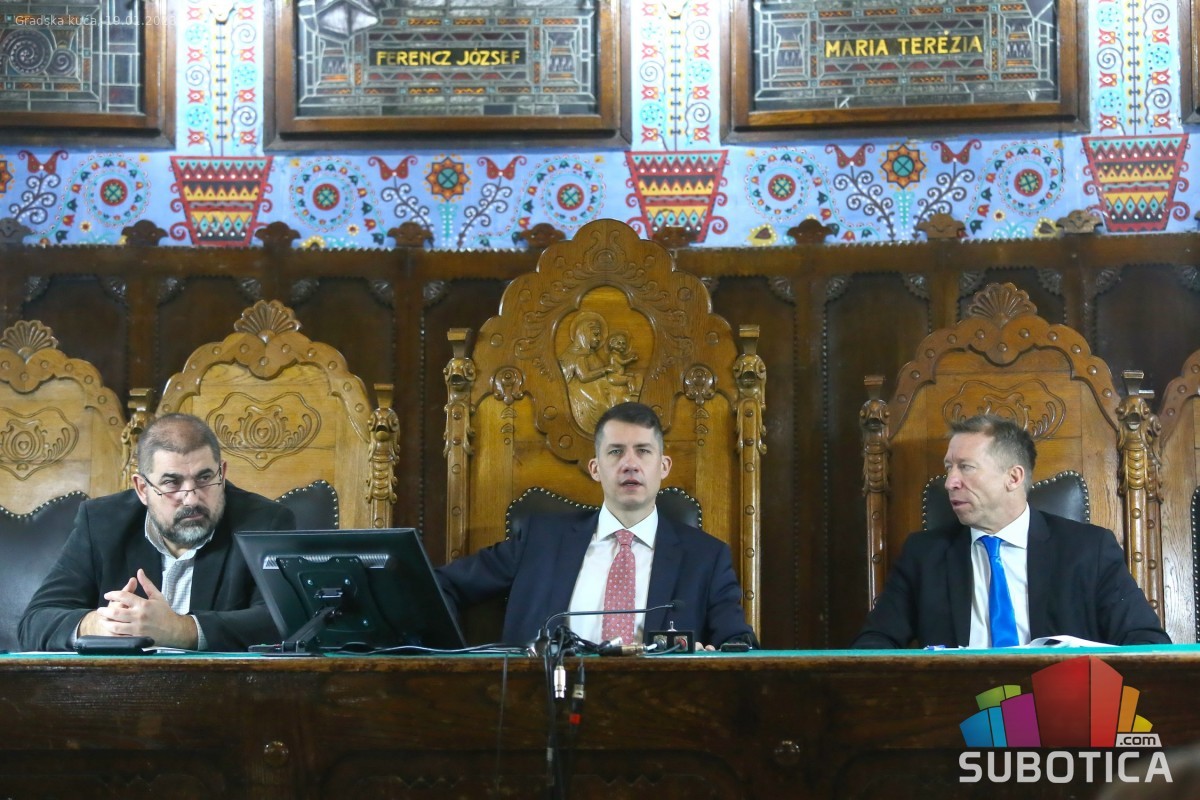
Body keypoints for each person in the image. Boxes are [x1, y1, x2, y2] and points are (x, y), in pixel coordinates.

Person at [436, 401, 757, 650]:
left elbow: (738, 641)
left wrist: (715, 656)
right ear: (595, 468)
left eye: (643, 451)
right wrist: (453, 662)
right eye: (615, 452)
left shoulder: (706, 557)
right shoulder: (540, 540)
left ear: (663, 466)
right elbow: (442, 585)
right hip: (545, 699)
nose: (630, 464)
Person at [853, 414, 1169, 649]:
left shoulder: (1089, 550)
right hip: (957, 711)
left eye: (965, 467)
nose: (950, 482)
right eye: (948, 467)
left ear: (1013, 478)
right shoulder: (923, 554)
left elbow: (1147, 643)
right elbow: (875, 642)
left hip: (1059, 709)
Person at [18, 413, 296, 651]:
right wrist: (100, 625)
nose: (191, 498)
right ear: (142, 488)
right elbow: (35, 622)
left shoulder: (265, 523)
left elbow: (286, 623)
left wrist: (183, 630)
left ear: (222, 474)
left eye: (204, 478)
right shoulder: (101, 523)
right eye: (172, 483)